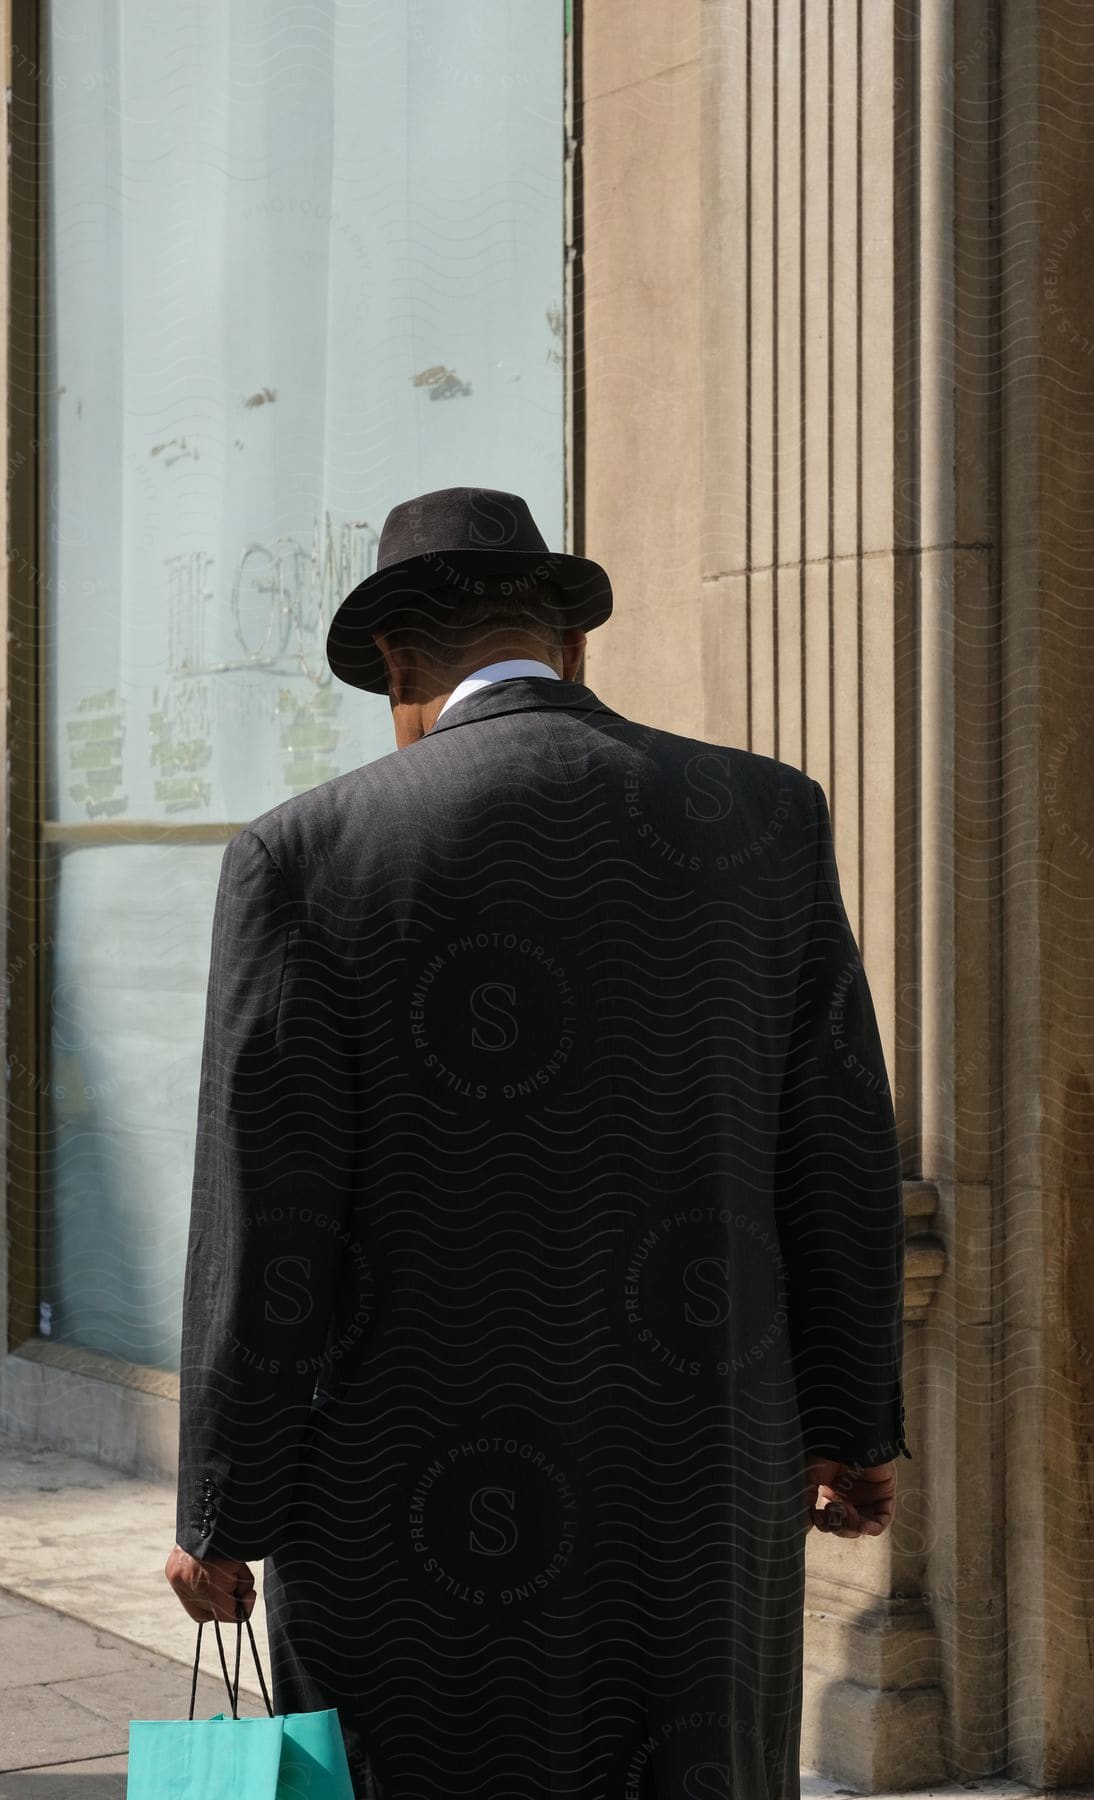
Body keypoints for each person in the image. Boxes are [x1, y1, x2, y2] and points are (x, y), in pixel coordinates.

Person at [165, 486, 911, 1799]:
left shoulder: (307, 852)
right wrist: (849, 1421)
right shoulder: (766, 818)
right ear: (570, 645)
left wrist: (224, 1512)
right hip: (701, 1469)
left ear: (395, 662)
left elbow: (269, 1216)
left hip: (405, 1495)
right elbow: (837, 1137)